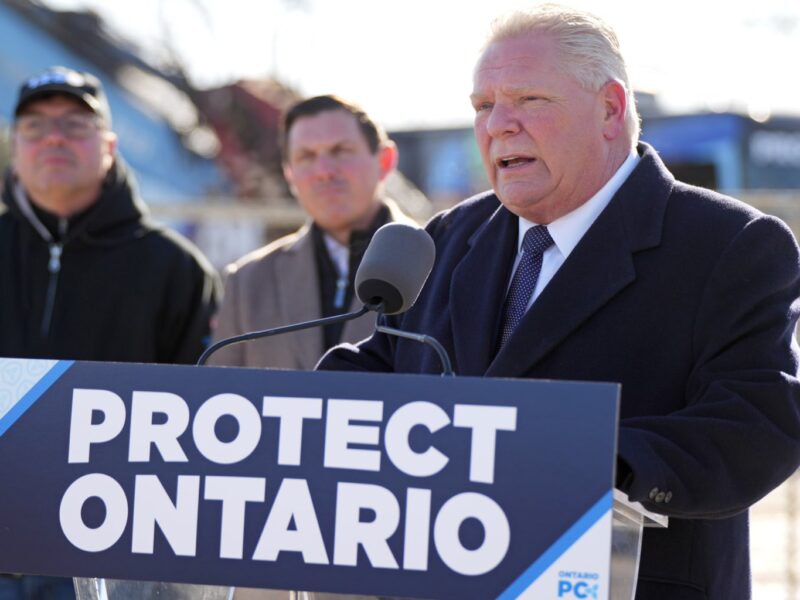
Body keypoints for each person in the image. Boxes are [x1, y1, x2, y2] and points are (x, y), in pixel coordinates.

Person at [318, 6, 800, 600]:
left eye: (529, 100)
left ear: (610, 109)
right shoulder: (447, 238)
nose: (499, 125)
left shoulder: (730, 244)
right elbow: (387, 364)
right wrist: (304, 414)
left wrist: (592, 458)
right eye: (482, 106)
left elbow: (758, 423)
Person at [0, 66, 219, 598]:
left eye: (75, 124)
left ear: (110, 144)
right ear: (15, 144)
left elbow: (199, 423)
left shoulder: (176, 269)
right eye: (34, 126)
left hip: (106, 556)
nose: (53, 137)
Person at [210, 94, 413, 369]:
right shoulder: (248, 283)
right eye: (306, 156)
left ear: (385, 161)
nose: (324, 171)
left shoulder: (444, 265)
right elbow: (222, 397)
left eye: (340, 151)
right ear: (289, 174)